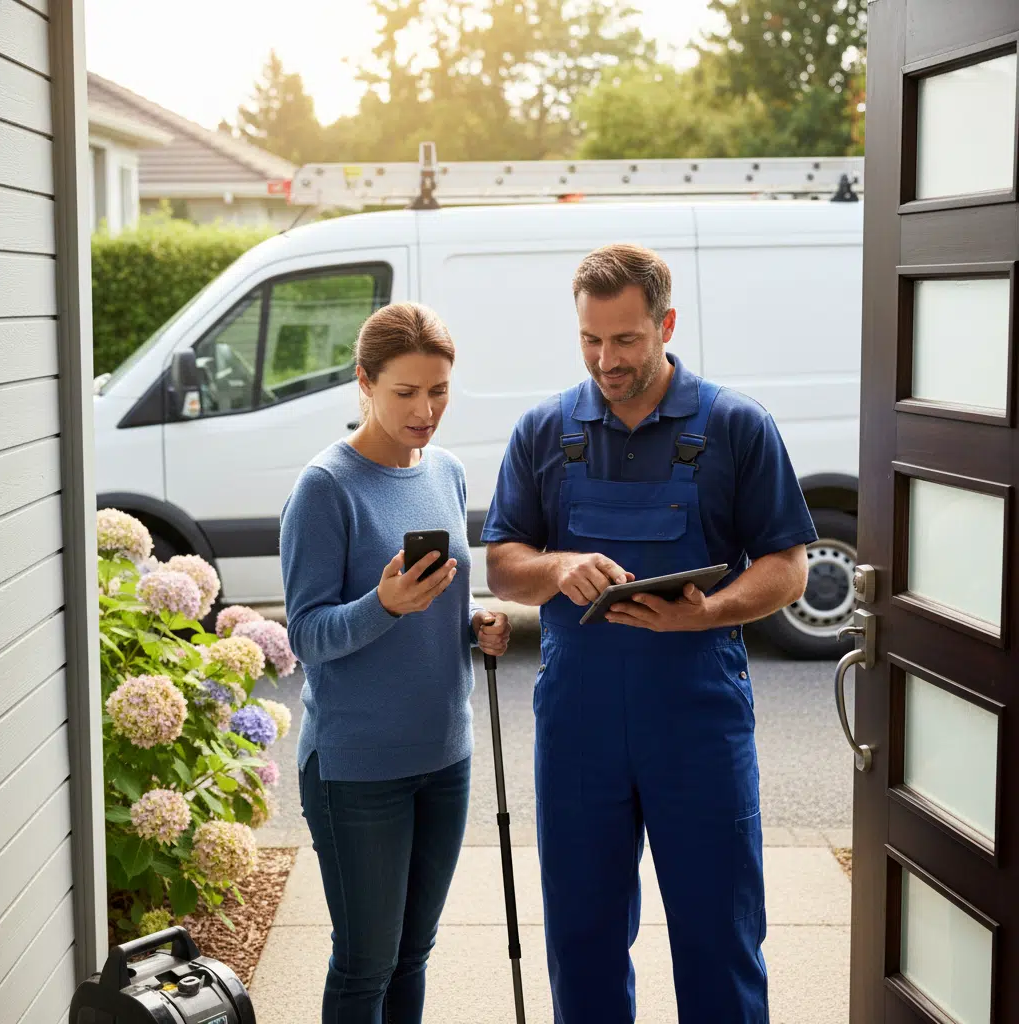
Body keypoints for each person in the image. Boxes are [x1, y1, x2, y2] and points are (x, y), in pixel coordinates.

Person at [481, 243, 816, 1023]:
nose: (607, 359)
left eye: (626, 340)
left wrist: (708, 610)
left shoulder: (735, 425)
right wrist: (558, 569)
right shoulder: (544, 430)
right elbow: (503, 564)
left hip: (697, 718)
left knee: (718, 940)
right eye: (591, 341)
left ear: (665, 324)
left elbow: (787, 568)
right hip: (579, 727)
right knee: (582, 939)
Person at [280, 301, 511, 1024]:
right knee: (364, 965)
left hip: (445, 757)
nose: (425, 410)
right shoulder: (326, 488)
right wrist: (384, 606)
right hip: (358, 771)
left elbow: (440, 601)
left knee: (413, 954)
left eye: (438, 390)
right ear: (364, 383)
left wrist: (477, 625)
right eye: (406, 392)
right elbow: (307, 635)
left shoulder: (446, 471)